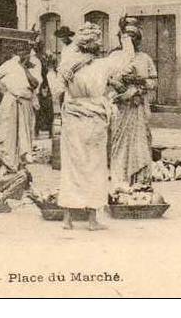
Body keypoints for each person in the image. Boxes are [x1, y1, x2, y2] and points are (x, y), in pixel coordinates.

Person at [58, 22, 119, 231]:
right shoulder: (103, 65)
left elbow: (60, 89)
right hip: (94, 119)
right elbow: (126, 58)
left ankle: (67, 219)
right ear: (96, 45)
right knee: (95, 166)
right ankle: (92, 220)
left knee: (71, 167)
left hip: (73, 118)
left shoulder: (67, 65)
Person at [108, 24, 157, 186]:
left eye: (133, 36)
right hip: (121, 106)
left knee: (140, 141)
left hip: (138, 106)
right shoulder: (115, 57)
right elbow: (104, 78)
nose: (130, 40)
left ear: (138, 39)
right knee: (119, 141)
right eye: (126, 36)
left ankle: (140, 179)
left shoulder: (145, 58)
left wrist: (138, 81)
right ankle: (120, 177)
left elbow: (153, 82)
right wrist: (117, 83)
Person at [0, 47, 40, 167]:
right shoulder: (9, 64)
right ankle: (7, 157)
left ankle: (23, 156)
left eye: (26, 53)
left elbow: (35, 84)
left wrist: (24, 68)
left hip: (26, 101)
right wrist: (3, 89)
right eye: (21, 53)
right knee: (9, 129)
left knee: (26, 129)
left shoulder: (31, 67)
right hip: (12, 99)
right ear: (16, 53)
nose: (24, 55)